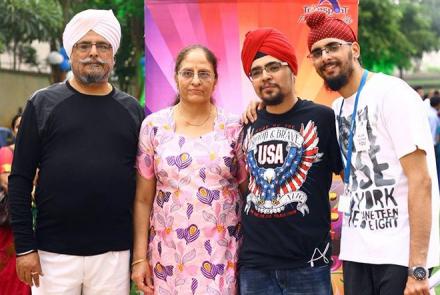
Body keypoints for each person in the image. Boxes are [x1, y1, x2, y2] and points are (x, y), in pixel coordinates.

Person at [8, 9, 144, 294]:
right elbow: (19, 179)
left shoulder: (133, 110)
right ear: (71, 52)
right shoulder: (42, 103)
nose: (93, 52)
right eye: (84, 45)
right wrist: (24, 248)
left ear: (113, 55)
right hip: (51, 254)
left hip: (114, 255)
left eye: (102, 45)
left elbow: (144, 184)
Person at [304, 11, 439, 295]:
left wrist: (417, 268)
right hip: (357, 252)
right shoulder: (338, 109)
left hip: (397, 253)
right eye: (317, 52)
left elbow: (421, 181)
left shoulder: (392, 94)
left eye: (332, 47)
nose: (325, 56)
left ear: (354, 49)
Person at [131, 45, 248, 295]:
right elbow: (143, 199)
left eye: (204, 73)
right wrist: (140, 258)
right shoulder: (154, 127)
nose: (195, 80)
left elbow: (247, 191)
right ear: (176, 77)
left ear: (215, 80)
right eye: (188, 73)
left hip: (223, 253)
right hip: (169, 254)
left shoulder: (234, 127)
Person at [238, 28, 342, 295]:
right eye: (257, 71)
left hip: (308, 265)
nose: (266, 76)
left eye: (273, 66)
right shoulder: (247, 123)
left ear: (292, 69)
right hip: (255, 266)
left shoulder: (323, 118)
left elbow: (348, 176)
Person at [0, 113, 30, 295]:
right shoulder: (7, 153)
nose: (23, 130)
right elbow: (7, 183)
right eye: (19, 127)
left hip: (33, 224)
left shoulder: (41, 154)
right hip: (10, 223)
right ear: (14, 130)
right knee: (8, 272)